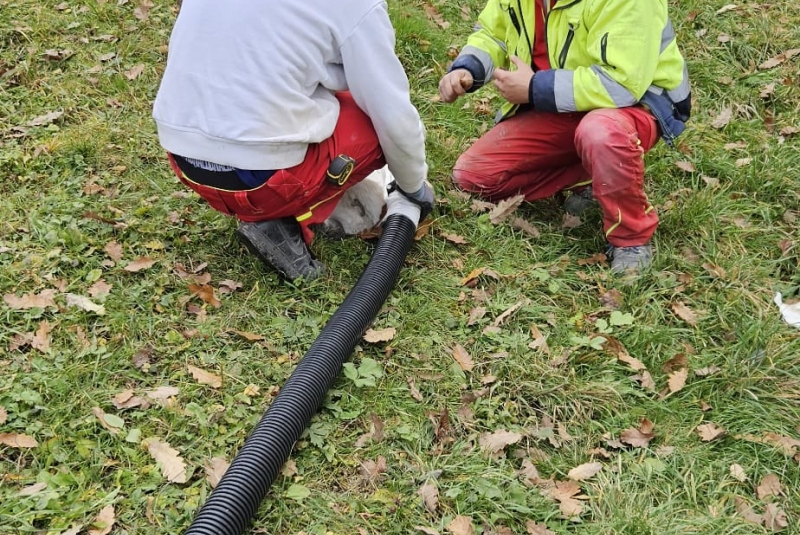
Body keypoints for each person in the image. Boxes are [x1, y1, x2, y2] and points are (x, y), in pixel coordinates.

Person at [153, 0, 434, 281]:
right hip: (262, 183)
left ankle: (274, 206)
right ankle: (285, 213)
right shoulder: (357, 6)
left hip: (186, 161)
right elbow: (394, 119)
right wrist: (413, 188)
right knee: (375, 122)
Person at [438, 0, 691, 274]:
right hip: (563, 99)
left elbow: (621, 85)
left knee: (600, 133)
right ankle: (595, 173)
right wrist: (468, 68)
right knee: (474, 177)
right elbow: (493, 34)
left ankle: (631, 238)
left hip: (636, 104)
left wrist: (534, 88)